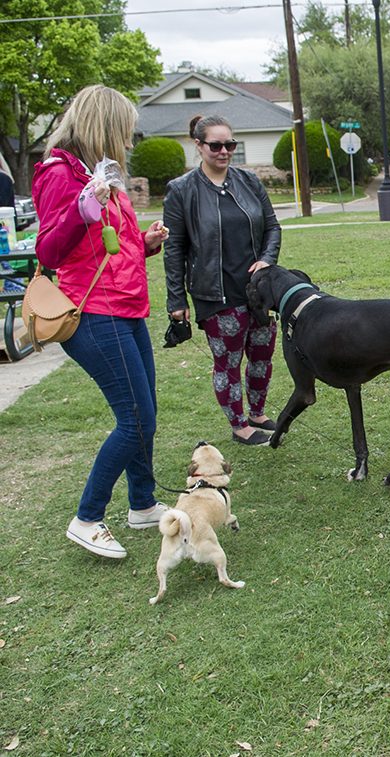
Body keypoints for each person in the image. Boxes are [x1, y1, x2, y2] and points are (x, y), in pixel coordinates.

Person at [32, 84, 171, 559]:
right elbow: (49, 250)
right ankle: (87, 517)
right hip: (92, 314)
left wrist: (145, 243)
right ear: (105, 128)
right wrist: (84, 207)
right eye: (125, 132)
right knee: (134, 419)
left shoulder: (99, 173)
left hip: (125, 308)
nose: (129, 142)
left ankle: (142, 504)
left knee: (145, 411)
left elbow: (109, 247)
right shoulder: (60, 174)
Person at [163, 115, 281, 446]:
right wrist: (176, 302)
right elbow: (173, 249)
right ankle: (239, 424)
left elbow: (272, 226)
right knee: (227, 361)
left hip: (257, 289)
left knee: (262, 353)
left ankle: (257, 412)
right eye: (216, 145)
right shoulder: (181, 191)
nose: (224, 151)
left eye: (230, 145)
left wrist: (267, 261)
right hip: (214, 292)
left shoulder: (249, 181)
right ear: (197, 146)